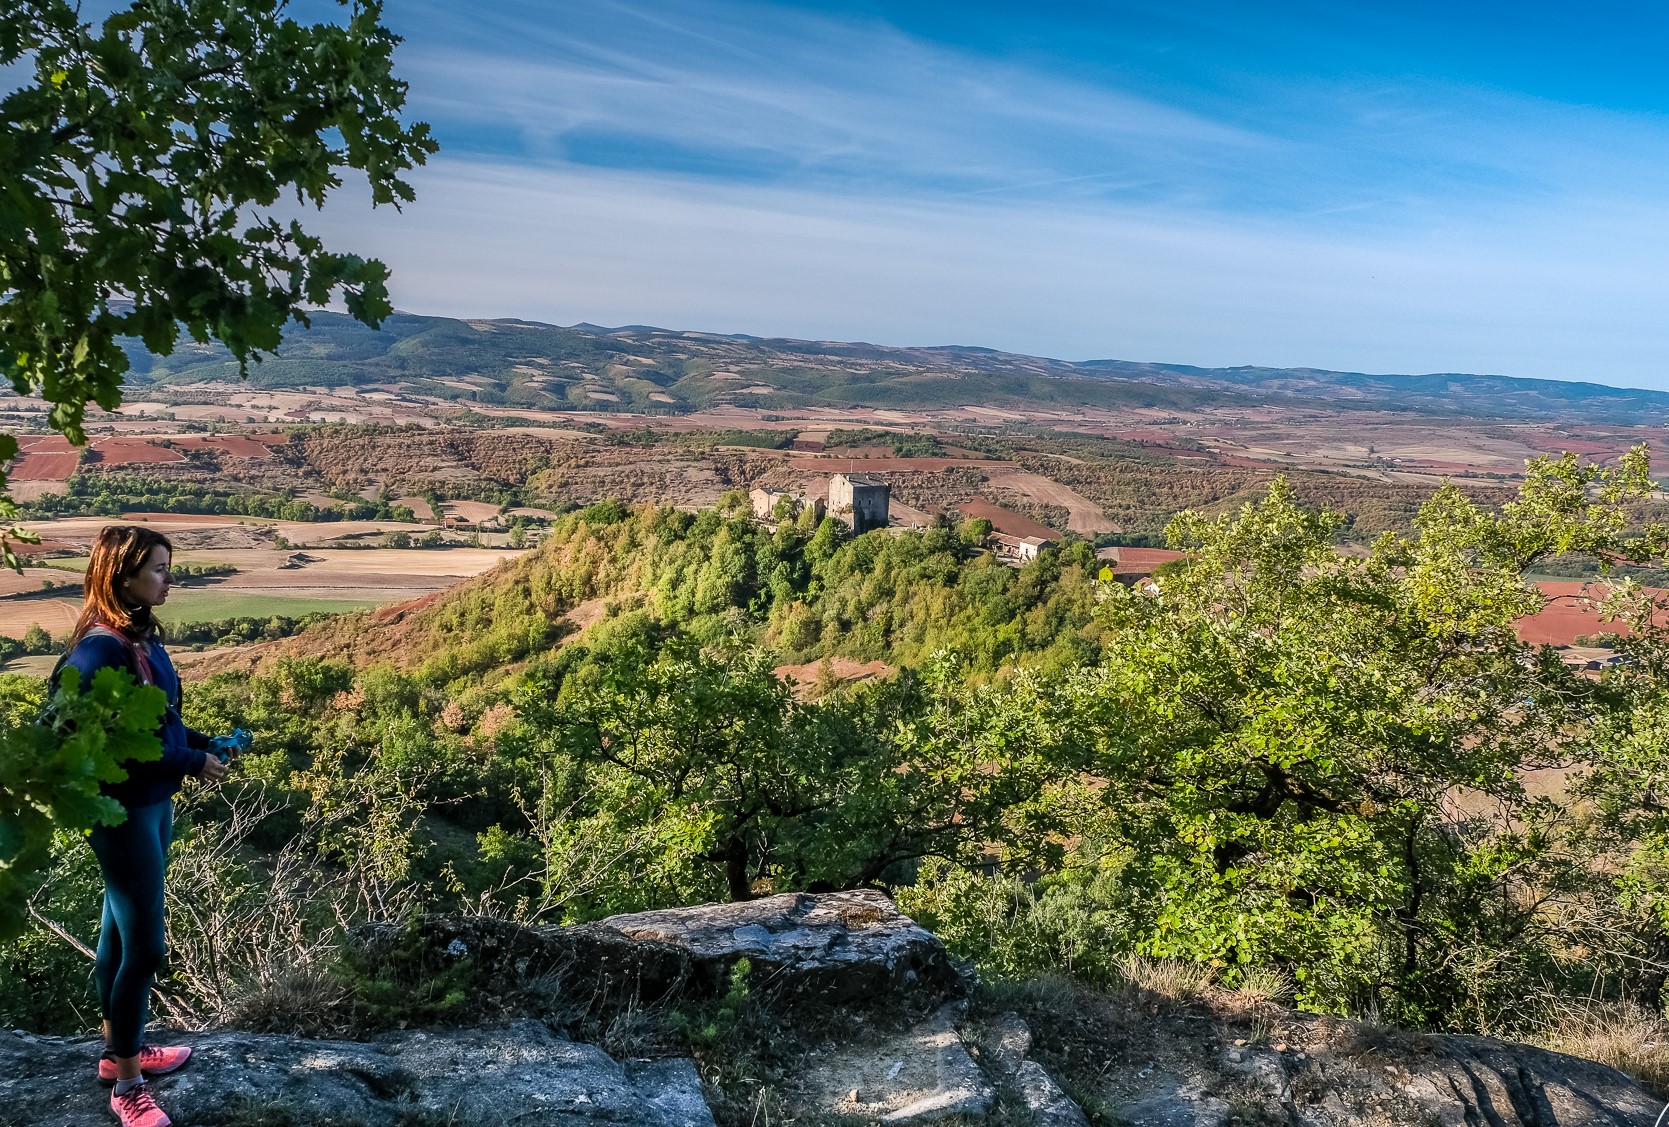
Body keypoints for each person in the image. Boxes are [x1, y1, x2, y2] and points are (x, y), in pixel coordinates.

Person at [54, 526, 231, 1127]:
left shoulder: (143, 640)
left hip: (156, 805)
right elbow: (100, 745)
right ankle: (128, 1084)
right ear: (122, 576)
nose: (168, 577)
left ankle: (116, 1054)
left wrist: (204, 745)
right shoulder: (97, 652)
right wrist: (191, 761)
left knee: (117, 936)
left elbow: (162, 724)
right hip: (122, 811)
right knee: (148, 947)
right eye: (157, 568)